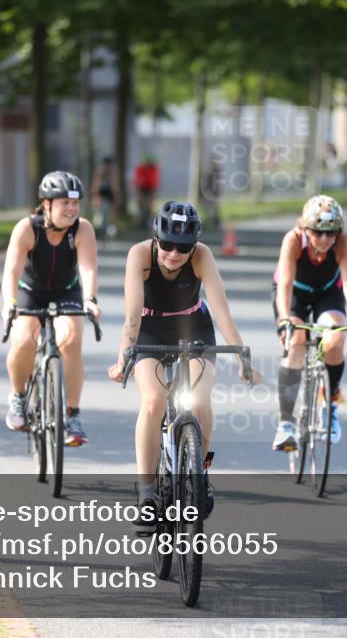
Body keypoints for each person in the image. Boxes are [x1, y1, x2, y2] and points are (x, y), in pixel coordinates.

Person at [107, 201, 259, 526]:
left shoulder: (203, 256)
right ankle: (147, 492)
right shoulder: (139, 255)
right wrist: (124, 353)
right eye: (167, 244)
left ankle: (202, 471)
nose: (174, 254)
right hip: (150, 328)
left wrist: (242, 357)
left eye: (184, 247)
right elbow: (132, 316)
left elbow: (221, 312)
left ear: (194, 246)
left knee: (200, 402)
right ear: (155, 239)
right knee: (153, 401)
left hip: (193, 326)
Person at [1, 171, 101, 444]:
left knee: (71, 341)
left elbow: (88, 268)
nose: (71, 209)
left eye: (75, 203)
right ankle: (19, 396)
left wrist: (90, 299)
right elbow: (11, 272)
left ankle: (72, 415)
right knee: (22, 341)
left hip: (66, 291)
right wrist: (9, 303)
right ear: (47, 205)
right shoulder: (27, 228)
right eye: (64, 203)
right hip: (30, 292)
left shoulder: (82, 230)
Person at [271, 195, 347, 452]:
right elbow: (285, 285)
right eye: (317, 232)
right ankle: (285, 423)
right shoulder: (293, 240)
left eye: (331, 232)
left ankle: (332, 402)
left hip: (327, 292)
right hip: (295, 294)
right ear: (305, 228)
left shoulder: (343, 243)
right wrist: (284, 321)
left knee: (335, 339)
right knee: (297, 342)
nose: (324, 239)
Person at [91, 156, 122, 240]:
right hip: (101, 195)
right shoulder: (99, 172)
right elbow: (95, 186)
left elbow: (115, 187)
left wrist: (116, 197)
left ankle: (110, 230)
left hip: (110, 195)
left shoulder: (114, 172)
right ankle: (99, 231)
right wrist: (95, 197)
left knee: (112, 214)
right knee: (99, 215)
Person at [133, 156, 160, 231]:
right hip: (141, 187)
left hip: (150, 187)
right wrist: (138, 190)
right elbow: (137, 180)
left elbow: (154, 181)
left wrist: (152, 192)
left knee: (150, 205)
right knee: (140, 204)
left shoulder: (153, 169)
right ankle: (139, 222)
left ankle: (150, 222)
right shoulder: (140, 168)